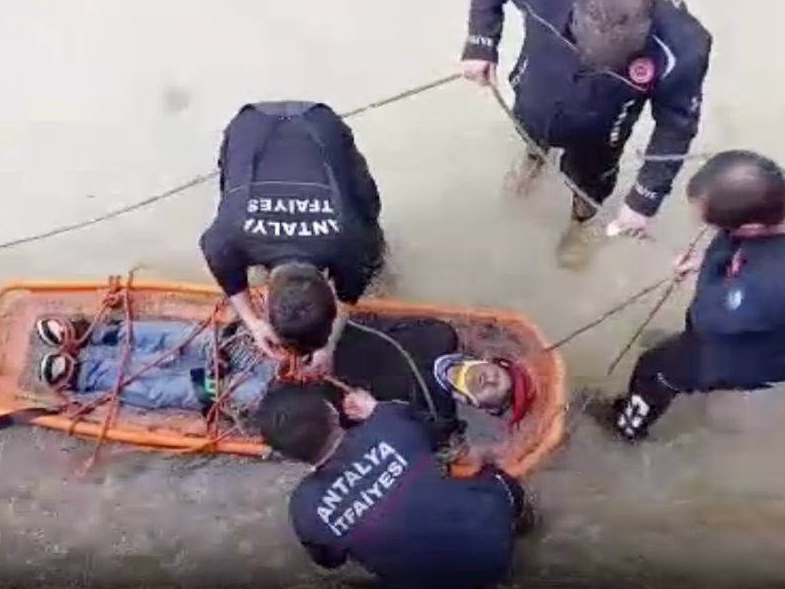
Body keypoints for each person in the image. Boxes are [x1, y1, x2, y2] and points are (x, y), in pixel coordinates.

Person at [459, 0, 712, 268]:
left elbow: (676, 125)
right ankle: (533, 158)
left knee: (591, 179)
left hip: (602, 128)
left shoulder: (684, 47)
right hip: (536, 88)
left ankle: (581, 222)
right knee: (529, 127)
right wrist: (481, 42)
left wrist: (643, 200)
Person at [611, 151, 785, 443]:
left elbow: (708, 315)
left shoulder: (776, 284)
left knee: (656, 368)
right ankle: (698, 374)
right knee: (686, 348)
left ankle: (626, 428)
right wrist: (711, 257)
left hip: (765, 353)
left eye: (717, 228)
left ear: (750, 228)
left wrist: (713, 262)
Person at [257, 384, 532, 589]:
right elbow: (431, 430)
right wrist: (376, 409)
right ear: (332, 411)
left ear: (284, 455)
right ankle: (523, 520)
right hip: (495, 548)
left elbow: (330, 561)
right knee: (499, 483)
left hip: (424, 582)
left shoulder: (306, 508)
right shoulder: (390, 422)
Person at [199, 101, 385, 355]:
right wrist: (254, 324)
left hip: (313, 124)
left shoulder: (351, 239)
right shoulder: (228, 238)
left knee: (367, 210)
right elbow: (221, 265)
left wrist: (327, 347)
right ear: (264, 300)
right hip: (254, 128)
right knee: (233, 197)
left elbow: (224, 271)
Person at [35, 262, 340, 416]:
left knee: (176, 388)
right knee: (188, 339)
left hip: (272, 392)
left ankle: (86, 375)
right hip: (276, 357)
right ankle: (100, 335)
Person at [330, 316, 537, 450]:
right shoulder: (440, 333)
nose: (490, 380)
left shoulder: (437, 419)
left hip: (323, 397)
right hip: (327, 339)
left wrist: (376, 415)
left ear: (483, 408)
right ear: (487, 361)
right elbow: (374, 322)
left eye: (496, 389)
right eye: (498, 375)